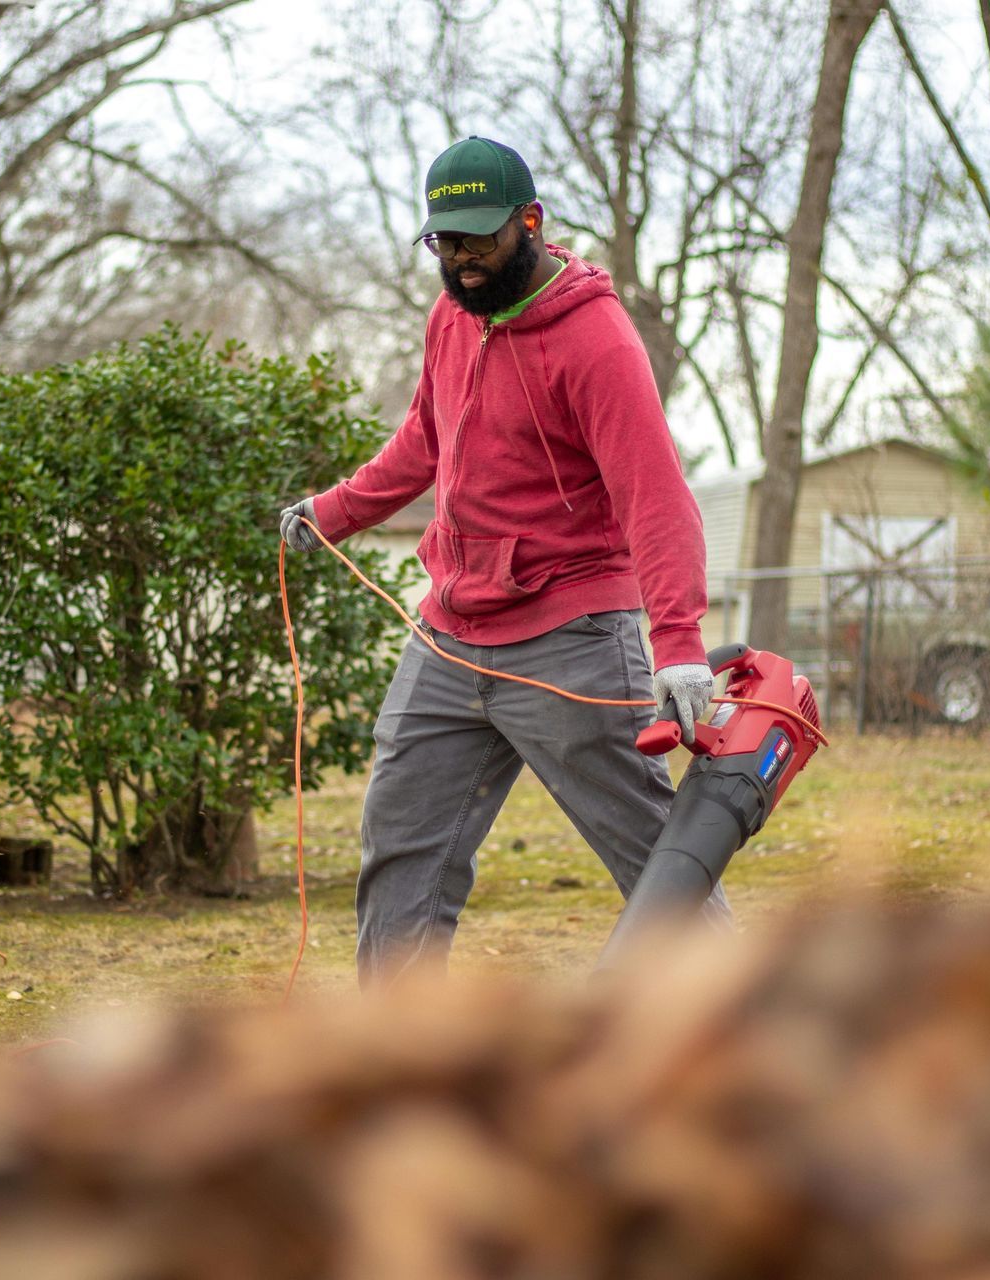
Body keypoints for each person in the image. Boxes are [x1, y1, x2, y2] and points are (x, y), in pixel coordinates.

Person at [280, 136, 728, 985]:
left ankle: (747, 1029)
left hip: (572, 637)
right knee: (401, 841)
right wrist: (333, 514)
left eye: (478, 239)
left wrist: (676, 642)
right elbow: (425, 438)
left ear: (531, 222)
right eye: (443, 241)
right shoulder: (453, 315)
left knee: (654, 857)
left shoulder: (597, 342)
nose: (460, 260)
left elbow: (655, 496)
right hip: (450, 635)